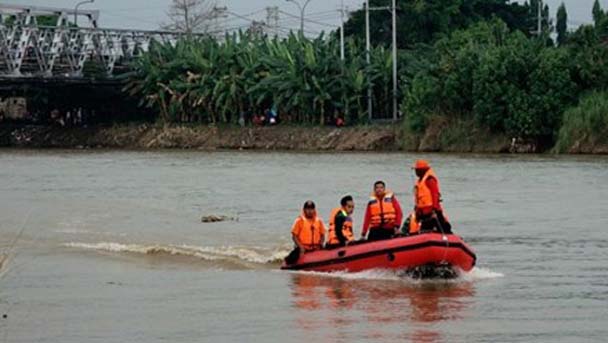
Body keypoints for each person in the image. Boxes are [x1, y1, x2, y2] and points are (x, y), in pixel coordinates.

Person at [410, 160, 452, 234]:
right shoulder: (420, 181)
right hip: (424, 212)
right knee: (425, 230)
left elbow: (435, 194)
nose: (415, 172)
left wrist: (434, 209)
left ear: (421, 170)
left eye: (417, 170)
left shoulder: (429, 179)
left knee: (443, 228)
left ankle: (450, 240)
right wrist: (417, 209)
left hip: (432, 211)